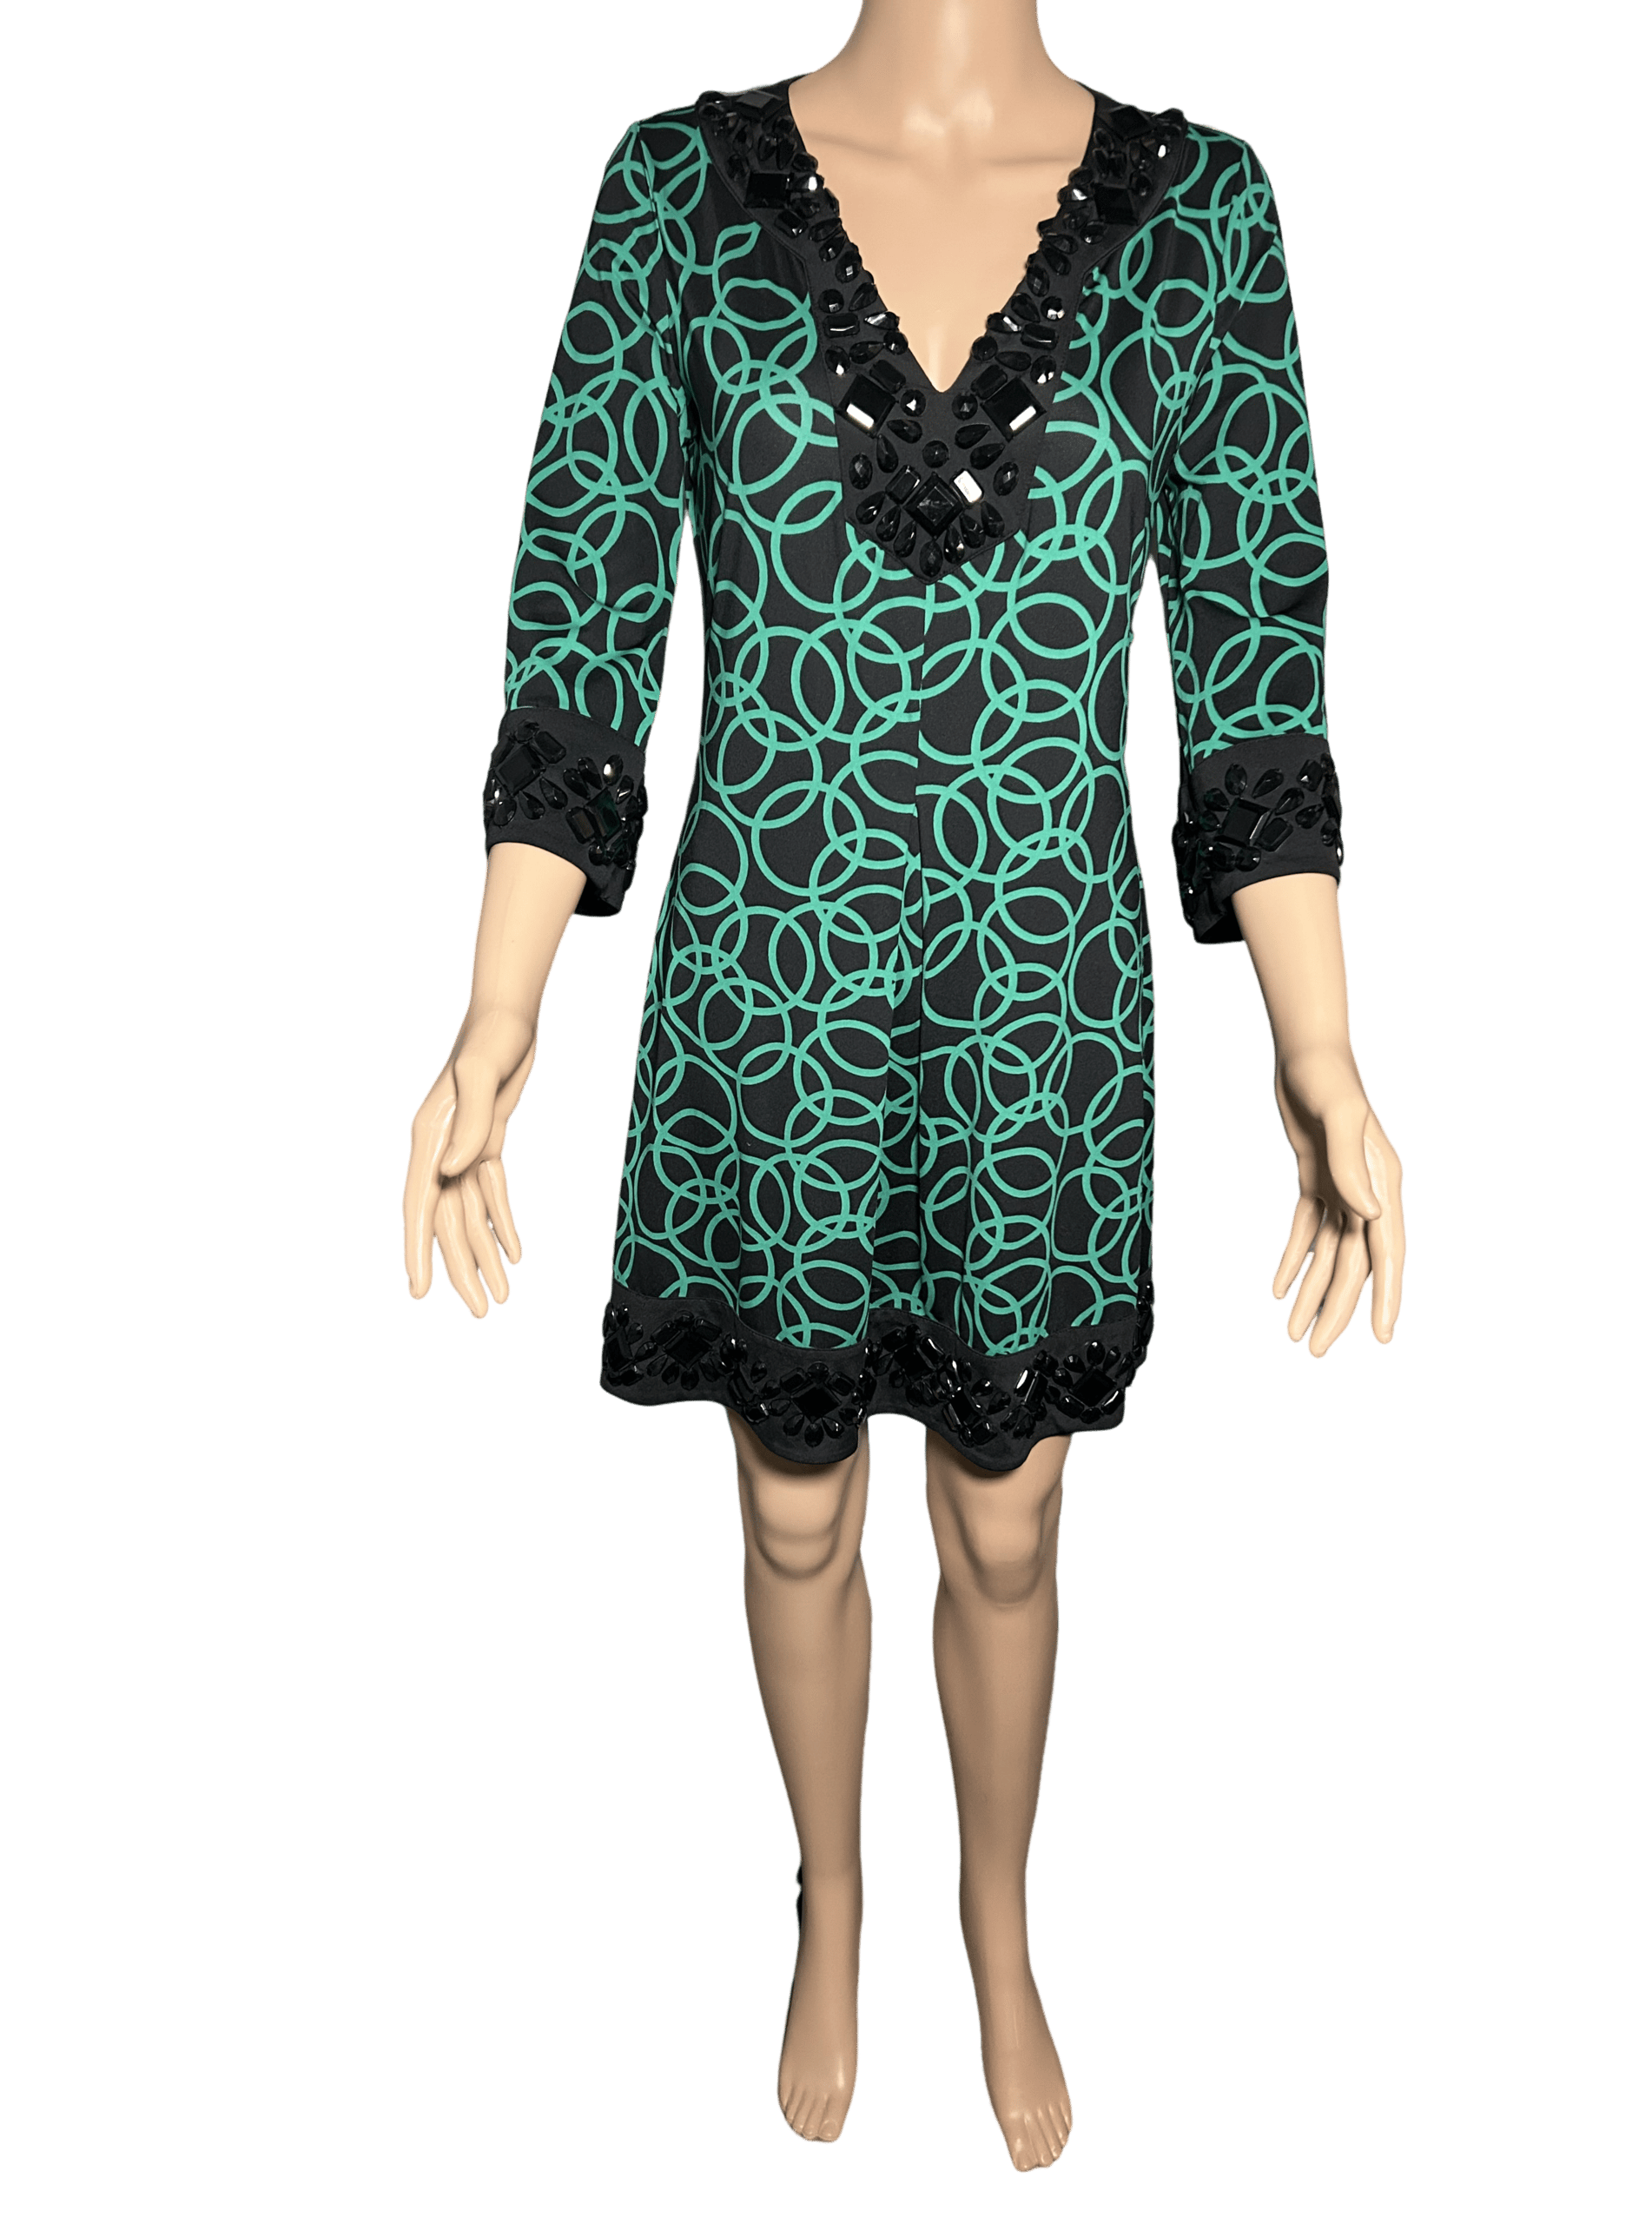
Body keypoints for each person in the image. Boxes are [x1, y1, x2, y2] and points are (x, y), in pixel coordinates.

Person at [400, 0, 1406, 2174]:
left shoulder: (1202, 217)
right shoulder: (677, 197)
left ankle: (998, 1912)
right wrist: (498, 1005)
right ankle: (836, 1897)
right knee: (791, 1497)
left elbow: (1253, 655)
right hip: (774, 1005)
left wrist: (1318, 1044)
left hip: (1043, 1017)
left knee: (1011, 1516)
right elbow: (583, 617)